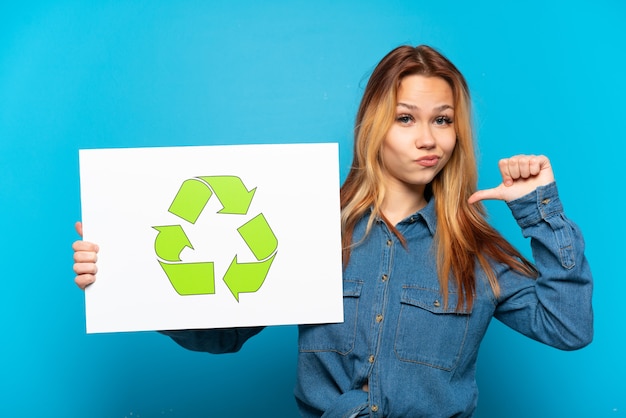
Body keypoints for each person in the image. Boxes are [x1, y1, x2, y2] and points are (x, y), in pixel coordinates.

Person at [73, 45, 593, 417]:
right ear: (374, 124)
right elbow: (223, 333)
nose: (428, 138)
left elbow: (569, 328)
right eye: (406, 118)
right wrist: (126, 276)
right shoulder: (308, 231)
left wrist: (539, 209)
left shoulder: (474, 252)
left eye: (443, 120)